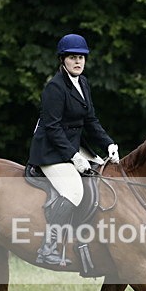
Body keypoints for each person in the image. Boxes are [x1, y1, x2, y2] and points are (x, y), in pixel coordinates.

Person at [28, 33, 119, 265]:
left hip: (73, 145)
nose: (78, 62)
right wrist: (73, 156)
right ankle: (47, 248)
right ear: (63, 60)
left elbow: (91, 121)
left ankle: (89, 240)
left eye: (81, 57)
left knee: (104, 174)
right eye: (72, 58)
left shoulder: (83, 83)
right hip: (50, 151)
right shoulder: (55, 88)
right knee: (73, 191)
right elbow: (52, 128)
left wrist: (108, 143)